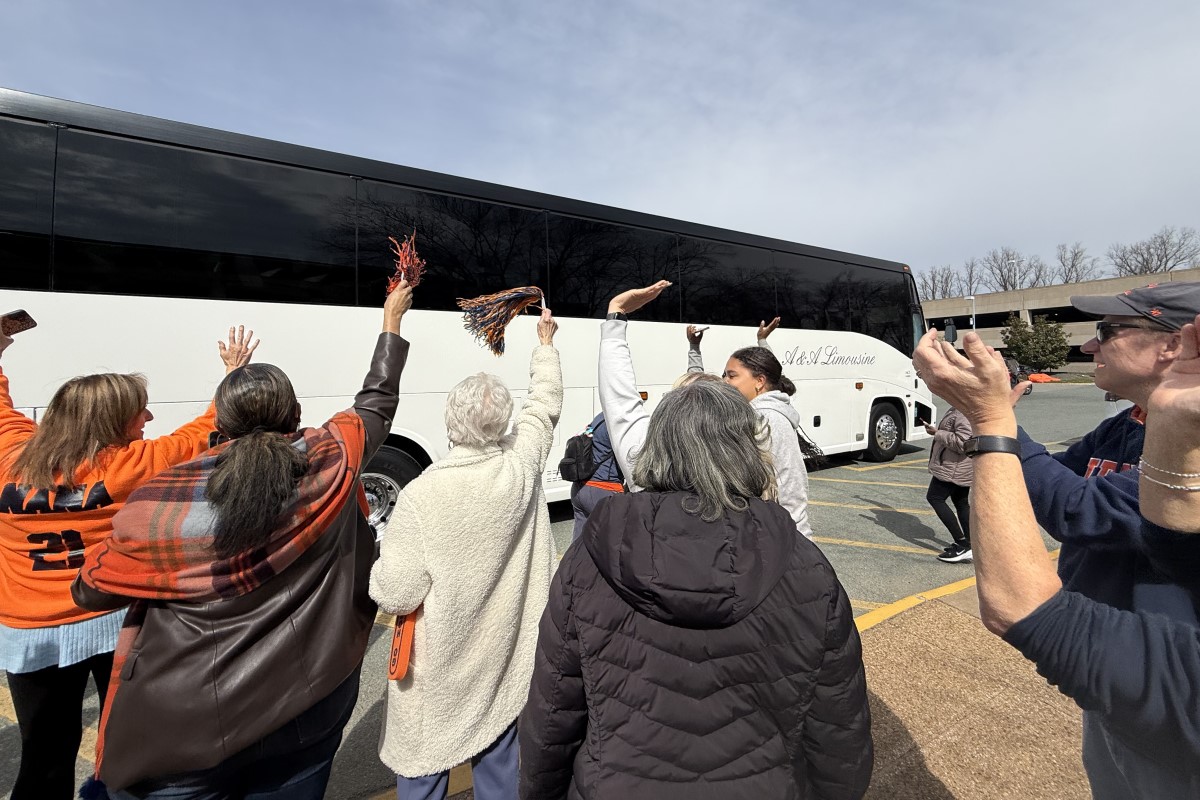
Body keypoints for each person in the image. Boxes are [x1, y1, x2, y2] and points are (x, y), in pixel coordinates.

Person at [70, 282, 413, 799]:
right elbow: (377, 399)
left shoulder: (158, 502)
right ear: (296, 413)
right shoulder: (333, 458)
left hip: (182, 730)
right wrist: (391, 321)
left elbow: (90, 589)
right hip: (309, 707)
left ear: (222, 425)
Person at [520, 378, 872, 799]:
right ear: (747, 450)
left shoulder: (589, 559)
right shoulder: (805, 566)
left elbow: (553, 710)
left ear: (656, 447)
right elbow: (839, 731)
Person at [913, 318, 1200, 797]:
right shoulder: (1124, 425)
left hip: (1151, 673)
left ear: (1174, 343)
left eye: (1107, 331)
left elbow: (1073, 509)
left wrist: (992, 421)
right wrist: (997, 422)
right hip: (1106, 667)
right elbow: (1041, 483)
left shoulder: (1188, 449)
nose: (1088, 345)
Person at [0, 325, 257, 800]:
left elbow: (0, 410)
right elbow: (206, 430)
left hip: (29, 633)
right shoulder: (133, 465)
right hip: (114, 621)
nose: (149, 417)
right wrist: (232, 373)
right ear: (111, 423)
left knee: (44, 758)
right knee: (124, 743)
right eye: (140, 410)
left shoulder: (9, 457)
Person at [369, 308, 562, 800]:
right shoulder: (521, 467)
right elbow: (543, 409)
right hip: (504, 657)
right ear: (503, 424)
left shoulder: (421, 495)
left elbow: (397, 593)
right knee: (500, 759)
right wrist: (545, 346)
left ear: (450, 424)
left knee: (423, 765)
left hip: (439, 668)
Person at [686, 317, 814, 537]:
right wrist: (694, 348)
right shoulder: (752, 412)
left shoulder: (768, 419)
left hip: (776, 536)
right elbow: (695, 391)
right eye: (724, 375)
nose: (724, 381)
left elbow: (791, 486)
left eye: (732, 376)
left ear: (759, 381)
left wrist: (798, 539)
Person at [922, 407, 974, 562]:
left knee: (935, 498)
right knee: (961, 503)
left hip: (953, 468)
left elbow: (963, 443)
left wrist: (937, 433)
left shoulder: (963, 413)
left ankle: (962, 543)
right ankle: (971, 544)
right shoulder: (959, 408)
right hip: (957, 467)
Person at [567, 412, 624, 541]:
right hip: (604, 490)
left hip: (579, 489)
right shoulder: (618, 421)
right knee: (613, 543)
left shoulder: (600, 418)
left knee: (579, 544)